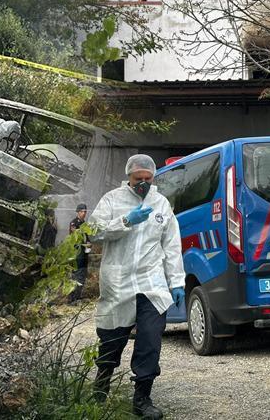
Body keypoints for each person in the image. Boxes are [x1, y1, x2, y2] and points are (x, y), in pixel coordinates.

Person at [89, 154, 185, 419]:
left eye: (147, 179)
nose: (142, 183)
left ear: (153, 178)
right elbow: (93, 232)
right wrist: (126, 221)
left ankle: (142, 400)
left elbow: (172, 246)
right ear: (128, 176)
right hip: (119, 283)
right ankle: (101, 387)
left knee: (150, 342)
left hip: (152, 285)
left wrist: (177, 282)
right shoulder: (111, 200)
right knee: (111, 340)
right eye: (137, 179)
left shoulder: (161, 204)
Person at [68, 203, 90, 302]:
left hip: (84, 254)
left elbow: (87, 238)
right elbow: (75, 238)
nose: (84, 213)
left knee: (82, 276)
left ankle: (78, 296)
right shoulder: (74, 223)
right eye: (82, 212)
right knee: (75, 276)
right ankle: (72, 298)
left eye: (85, 212)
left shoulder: (84, 224)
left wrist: (89, 244)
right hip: (77, 253)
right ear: (78, 212)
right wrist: (85, 244)